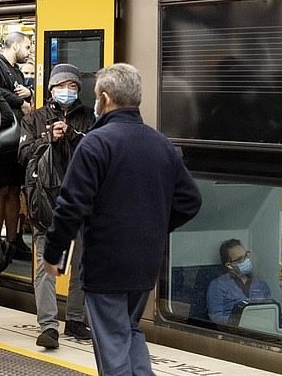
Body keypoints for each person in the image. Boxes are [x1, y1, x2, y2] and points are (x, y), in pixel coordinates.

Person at [43, 63, 202, 376]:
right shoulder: (162, 145)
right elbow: (190, 200)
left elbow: (70, 205)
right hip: (146, 263)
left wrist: (53, 254)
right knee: (130, 331)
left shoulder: (96, 144)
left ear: (105, 98)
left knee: (113, 343)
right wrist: (154, 225)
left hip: (106, 263)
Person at [18, 63, 96, 348]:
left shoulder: (89, 117)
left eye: (72, 87)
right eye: (61, 86)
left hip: (84, 198)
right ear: (51, 89)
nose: (67, 91)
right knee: (46, 266)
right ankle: (48, 326)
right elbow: (22, 154)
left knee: (83, 263)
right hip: (47, 200)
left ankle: (75, 319)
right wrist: (46, 138)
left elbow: (101, 150)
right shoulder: (36, 118)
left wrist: (74, 137)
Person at [0, 32, 33, 256]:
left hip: (17, 139)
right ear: (14, 46)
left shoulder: (17, 72)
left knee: (14, 189)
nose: (29, 51)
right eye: (27, 47)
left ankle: (13, 240)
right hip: (2, 138)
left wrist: (29, 92)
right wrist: (19, 100)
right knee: (1, 189)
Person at [207, 239, 272, 324]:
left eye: (246, 256)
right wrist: (242, 322)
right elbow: (215, 317)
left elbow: (270, 312)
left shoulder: (261, 285)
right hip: (233, 333)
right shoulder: (218, 285)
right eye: (240, 259)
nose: (246, 261)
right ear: (229, 265)